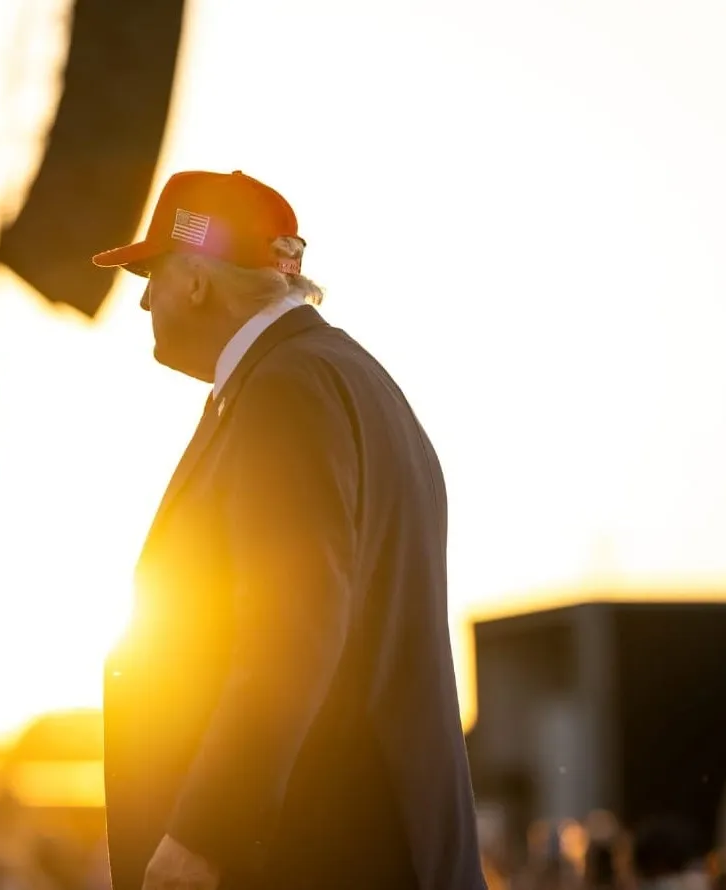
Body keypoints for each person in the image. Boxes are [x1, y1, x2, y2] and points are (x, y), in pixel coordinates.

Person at [91, 170, 486, 890]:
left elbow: (290, 630)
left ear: (195, 279)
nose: (144, 300)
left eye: (151, 274)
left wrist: (203, 836)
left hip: (316, 855)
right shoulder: (349, 380)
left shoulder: (285, 390)